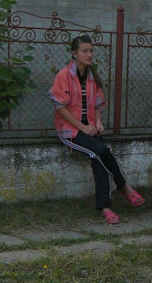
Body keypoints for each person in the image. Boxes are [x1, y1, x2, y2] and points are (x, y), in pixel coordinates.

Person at [50, 34, 145, 225]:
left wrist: (98, 122)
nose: (89, 54)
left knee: (98, 157)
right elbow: (60, 107)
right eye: (84, 51)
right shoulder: (64, 75)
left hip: (90, 129)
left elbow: (98, 103)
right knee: (101, 150)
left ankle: (106, 208)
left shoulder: (92, 76)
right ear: (74, 53)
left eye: (91, 50)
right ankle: (123, 186)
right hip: (70, 131)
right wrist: (83, 127)